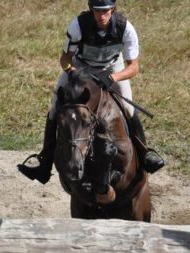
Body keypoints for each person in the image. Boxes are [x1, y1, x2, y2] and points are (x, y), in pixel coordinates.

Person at [18, 0, 164, 184]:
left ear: (112, 9)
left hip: (112, 69)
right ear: (91, 10)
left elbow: (133, 67)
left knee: (128, 106)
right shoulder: (78, 25)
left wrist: (113, 78)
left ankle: (144, 153)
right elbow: (65, 60)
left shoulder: (125, 28)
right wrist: (75, 73)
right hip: (81, 69)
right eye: (97, 11)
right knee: (55, 106)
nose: (101, 16)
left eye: (105, 11)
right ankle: (44, 161)